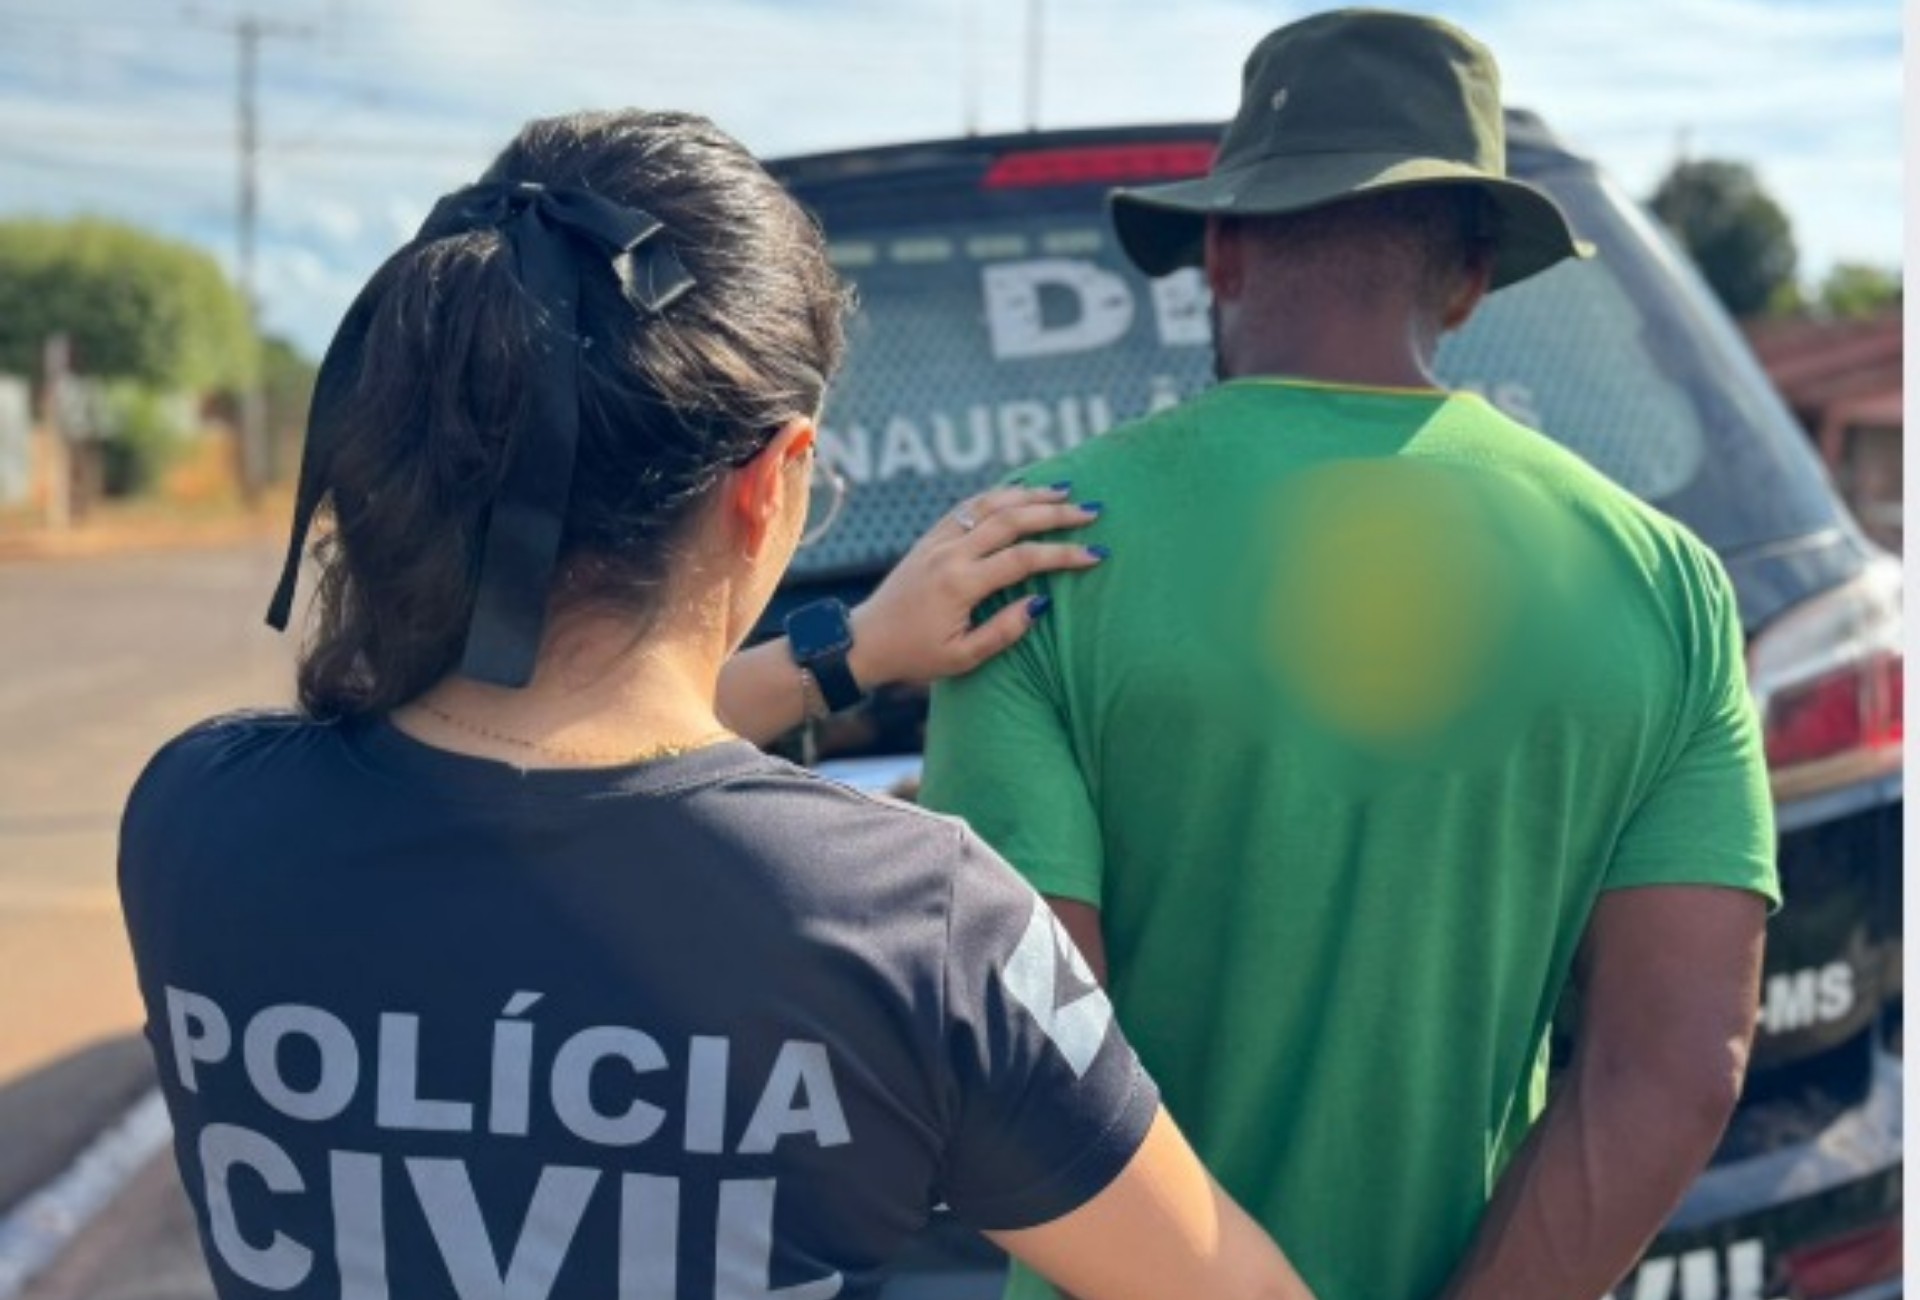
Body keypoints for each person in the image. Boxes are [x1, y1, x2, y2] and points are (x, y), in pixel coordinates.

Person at [117, 109, 1316, 1300]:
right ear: (774, 478)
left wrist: (848, 653)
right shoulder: (924, 923)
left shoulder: (198, 817)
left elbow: (560, 776)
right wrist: (848, 661)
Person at [920, 12, 1778, 1300]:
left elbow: (1033, 1069)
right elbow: (1678, 1067)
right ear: (1472, 277)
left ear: (1220, 250)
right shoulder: (1667, 584)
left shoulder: (1029, 551)